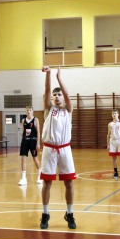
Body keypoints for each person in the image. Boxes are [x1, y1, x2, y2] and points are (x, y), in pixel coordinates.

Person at [39, 66, 76, 230]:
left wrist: (59, 77)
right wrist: (48, 75)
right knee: (47, 182)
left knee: (69, 182)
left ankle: (70, 213)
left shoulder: (68, 109)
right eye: (55, 95)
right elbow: (47, 91)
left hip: (65, 149)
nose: (56, 96)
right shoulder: (49, 109)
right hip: (49, 149)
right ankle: (45, 213)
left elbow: (67, 96)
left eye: (59, 94)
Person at [18, 106, 41, 186]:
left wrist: (38, 143)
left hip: (33, 141)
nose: (28, 111)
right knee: (23, 158)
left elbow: (38, 132)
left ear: (32, 111)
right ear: (26, 111)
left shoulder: (36, 120)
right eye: (27, 110)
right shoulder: (23, 120)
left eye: (30, 110)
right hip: (25, 141)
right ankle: (23, 178)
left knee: (35, 158)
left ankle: (40, 176)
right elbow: (24, 131)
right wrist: (23, 139)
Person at [107, 110, 120, 179]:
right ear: (111, 115)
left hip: (119, 141)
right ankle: (115, 172)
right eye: (113, 113)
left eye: (115, 113)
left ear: (118, 114)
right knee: (114, 158)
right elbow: (108, 135)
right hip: (112, 141)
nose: (114, 114)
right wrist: (108, 145)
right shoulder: (110, 124)